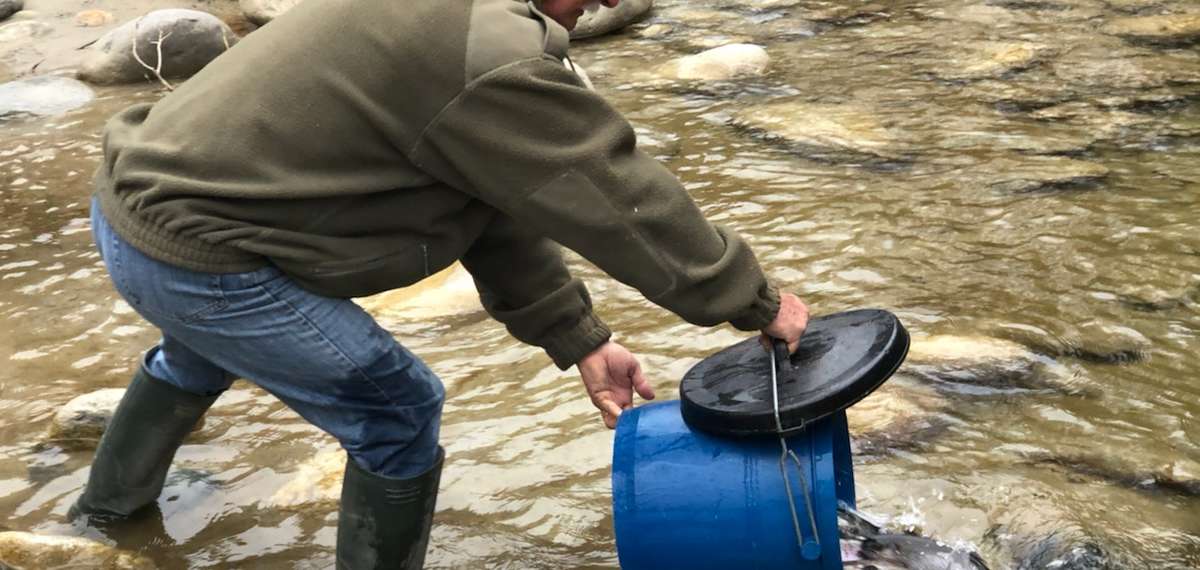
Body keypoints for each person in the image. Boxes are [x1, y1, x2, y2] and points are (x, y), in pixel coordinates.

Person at [73, 0, 810, 567]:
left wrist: (579, 337)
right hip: (200, 256)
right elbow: (619, 199)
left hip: (136, 209)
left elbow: (489, 202)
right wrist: (755, 301)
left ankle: (107, 516)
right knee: (399, 412)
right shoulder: (491, 55)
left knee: (197, 355)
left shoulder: (464, 28)